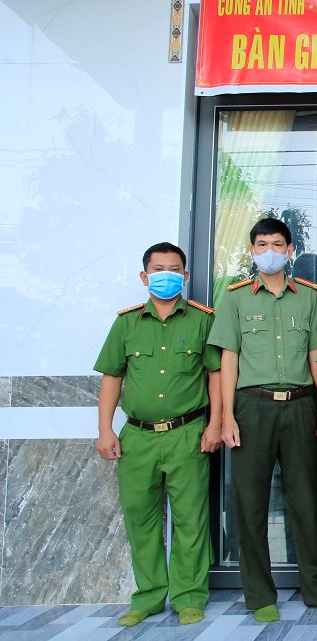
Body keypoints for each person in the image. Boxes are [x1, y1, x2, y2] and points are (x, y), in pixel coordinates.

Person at [207, 217, 317, 622]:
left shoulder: (309, 298)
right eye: (261, 245)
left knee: (305, 500)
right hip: (252, 407)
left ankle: (316, 589)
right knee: (250, 503)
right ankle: (260, 596)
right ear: (252, 251)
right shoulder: (235, 298)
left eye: (277, 245)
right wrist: (226, 416)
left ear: (290, 250)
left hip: (300, 406)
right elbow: (228, 359)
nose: (269, 252)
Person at [94, 242, 222, 627]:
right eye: (158, 269)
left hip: (187, 433)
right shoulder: (126, 324)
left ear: (185, 276)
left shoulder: (202, 320)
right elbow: (112, 377)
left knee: (191, 520)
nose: (167, 275)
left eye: (174, 270)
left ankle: (188, 597)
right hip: (138, 437)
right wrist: (105, 429)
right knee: (141, 518)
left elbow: (215, 375)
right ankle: (148, 597)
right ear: (144, 276)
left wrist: (215, 423)